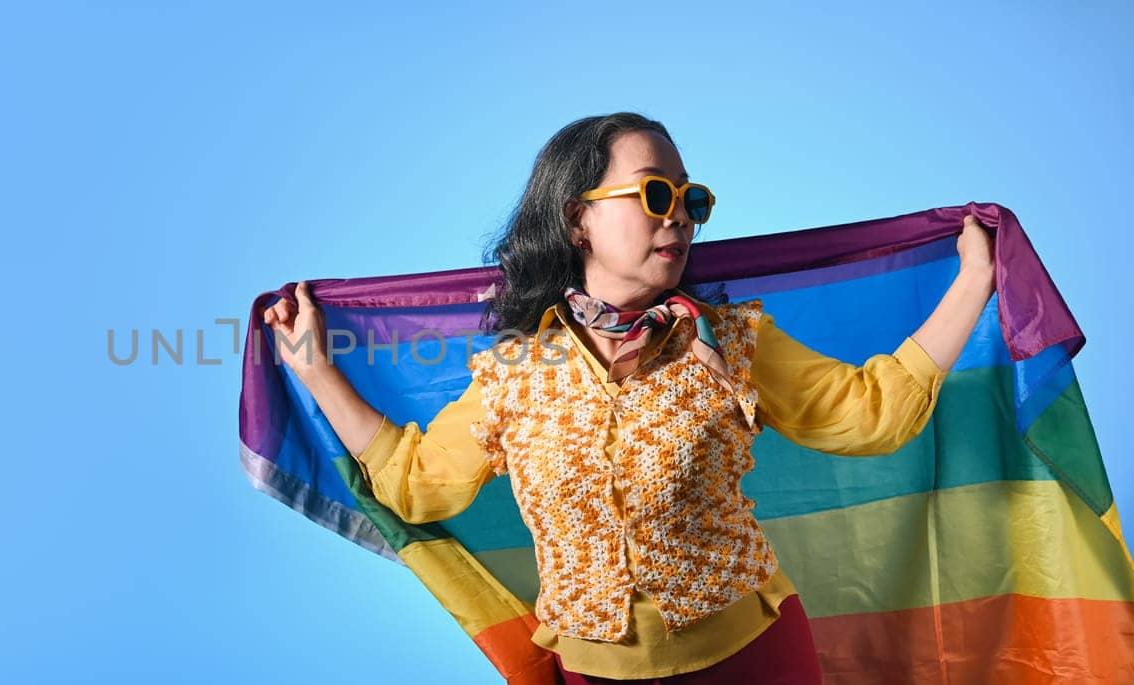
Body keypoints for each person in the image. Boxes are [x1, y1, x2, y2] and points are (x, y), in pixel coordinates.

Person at [262, 113, 996, 684]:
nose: (676, 213)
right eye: (653, 192)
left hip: (755, 662)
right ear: (577, 217)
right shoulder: (516, 375)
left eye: (689, 198)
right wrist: (318, 370)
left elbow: (870, 412)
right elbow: (414, 483)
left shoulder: (734, 341)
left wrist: (973, 283)